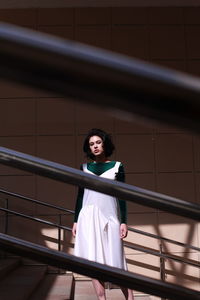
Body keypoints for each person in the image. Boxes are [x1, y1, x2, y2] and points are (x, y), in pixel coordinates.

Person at [72, 128, 134, 300]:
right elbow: (80, 195)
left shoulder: (117, 166)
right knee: (92, 260)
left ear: (105, 144)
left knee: (117, 263)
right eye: (91, 144)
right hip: (88, 218)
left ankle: (130, 297)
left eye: (98, 142)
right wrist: (75, 221)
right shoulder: (84, 168)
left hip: (110, 218)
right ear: (89, 148)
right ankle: (101, 297)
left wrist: (123, 222)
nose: (95, 146)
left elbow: (122, 196)